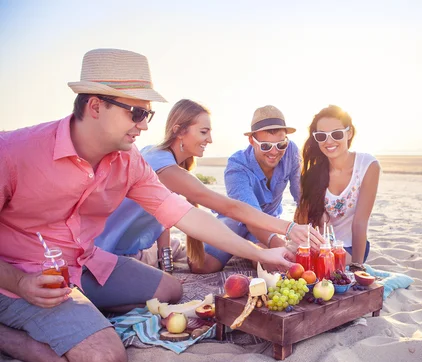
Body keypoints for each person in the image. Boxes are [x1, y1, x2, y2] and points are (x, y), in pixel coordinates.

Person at [0, 48, 294, 362]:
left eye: (147, 116)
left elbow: (182, 214)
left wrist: (261, 252)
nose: (143, 125)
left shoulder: (129, 161)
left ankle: (84, 314)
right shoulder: (12, 152)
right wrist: (21, 283)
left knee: (170, 290)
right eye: (136, 113)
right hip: (20, 278)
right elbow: (223, 206)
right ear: (95, 105)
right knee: (105, 361)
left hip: (84, 262)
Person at [95, 99, 321, 273]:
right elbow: (230, 208)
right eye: (204, 132)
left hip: (127, 247)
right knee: (171, 289)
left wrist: (166, 264)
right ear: (179, 130)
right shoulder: (160, 161)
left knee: (168, 284)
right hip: (107, 248)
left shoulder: (170, 161)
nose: (210, 140)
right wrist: (288, 229)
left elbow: (162, 217)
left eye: (280, 145)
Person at [203, 105, 308, 273]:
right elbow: (249, 216)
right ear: (252, 141)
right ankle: (241, 246)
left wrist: (309, 238)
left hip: (270, 222)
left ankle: (248, 251)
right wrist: (281, 245)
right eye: (266, 146)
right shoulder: (236, 167)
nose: (274, 152)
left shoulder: (291, 151)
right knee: (205, 266)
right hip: (238, 221)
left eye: (281, 144)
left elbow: (302, 197)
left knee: (270, 265)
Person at [295, 105, 380, 265]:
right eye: (321, 136)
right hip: (318, 247)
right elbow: (301, 221)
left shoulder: (367, 165)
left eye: (336, 134)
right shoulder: (312, 174)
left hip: (349, 248)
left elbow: (360, 222)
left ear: (349, 133)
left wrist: (357, 265)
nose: (329, 141)